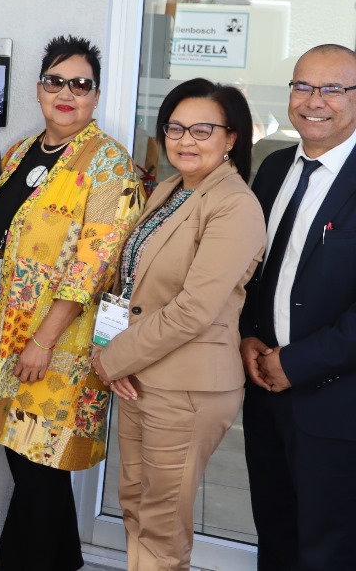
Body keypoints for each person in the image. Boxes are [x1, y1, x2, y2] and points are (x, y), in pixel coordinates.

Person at [0, 35, 144, 571]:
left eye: (80, 85)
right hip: (6, 333)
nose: (67, 93)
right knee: (32, 467)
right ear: (39, 88)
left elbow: (91, 268)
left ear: (95, 97)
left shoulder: (108, 166)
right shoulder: (23, 151)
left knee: (39, 469)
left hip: (57, 350)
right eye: (56, 81)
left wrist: (42, 341)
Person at [92, 79, 265, 570]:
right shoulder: (171, 188)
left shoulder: (234, 205)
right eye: (175, 128)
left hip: (187, 390)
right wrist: (114, 353)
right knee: (136, 508)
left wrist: (111, 359)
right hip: (140, 378)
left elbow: (193, 308)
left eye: (202, 129)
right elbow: (131, 286)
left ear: (231, 138)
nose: (185, 140)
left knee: (162, 528)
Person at [240, 44, 356, 570]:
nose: (315, 101)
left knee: (326, 551)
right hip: (264, 397)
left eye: (333, 89)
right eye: (303, 86)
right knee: (276, 534)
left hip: (335, 407)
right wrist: (247, 336)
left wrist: (297, 363)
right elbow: (255, 271)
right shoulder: (273, 167)